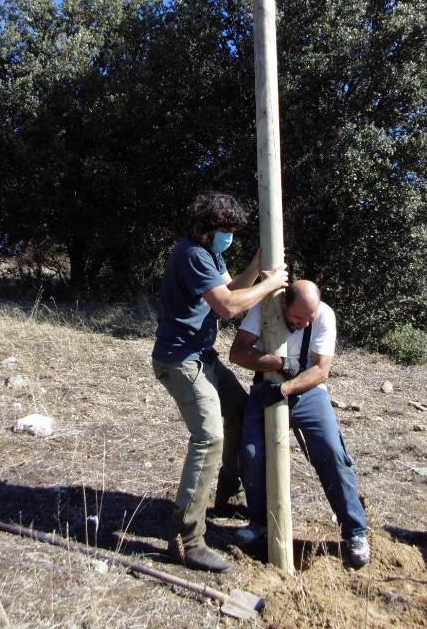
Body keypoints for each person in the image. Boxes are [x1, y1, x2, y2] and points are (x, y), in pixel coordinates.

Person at [152, 193, 289, 573]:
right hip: (180, 361)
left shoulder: (210, 253)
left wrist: (257, 268)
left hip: (202, 357)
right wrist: (270, 284)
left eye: (232, 231)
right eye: (226, 230)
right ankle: (187, 540)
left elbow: (230, 289)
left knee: (241, 412)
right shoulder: (192, 254)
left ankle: (227, 494)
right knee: (209, 436)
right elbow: (228, 308)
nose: (229, 236)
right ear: (207, 227)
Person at [229, 279, 371, 568]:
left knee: (332, 452)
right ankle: (260, 524)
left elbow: (321, 370)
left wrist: (286, 389)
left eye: (309, 318)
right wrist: (277, 364)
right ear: (284, 305)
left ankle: (355, 532)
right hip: (266, 386)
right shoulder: (264, 309)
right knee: (252, 455)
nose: (305, 324)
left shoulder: (323, 316)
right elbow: (238, 352)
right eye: (298, 318)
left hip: (307, 391)